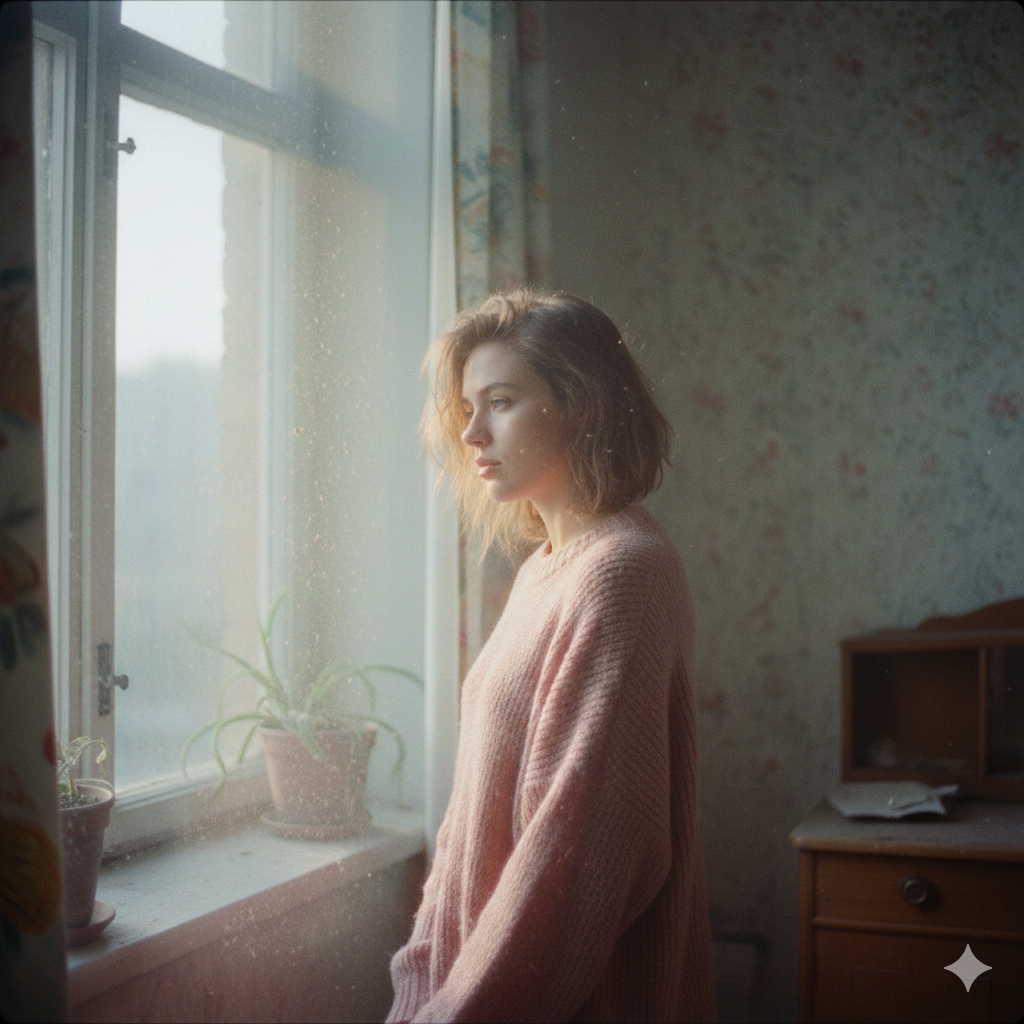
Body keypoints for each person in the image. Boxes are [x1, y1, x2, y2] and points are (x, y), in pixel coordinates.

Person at [387, 290, 716, 1023]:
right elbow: (471, 819)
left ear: (584, 404)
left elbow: (572, 861)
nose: (471, 432)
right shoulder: (546, 568)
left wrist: (448, 1013)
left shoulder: (623, 572)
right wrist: (417, 986)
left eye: (499, 401)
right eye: (468, 407)